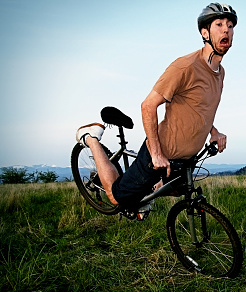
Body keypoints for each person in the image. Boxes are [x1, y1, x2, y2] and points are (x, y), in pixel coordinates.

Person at [75, 3, 237, 209]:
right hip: (161, 152)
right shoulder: (185, 67)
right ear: (205, 32)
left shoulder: (220, 73)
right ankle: (90, 138)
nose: (226, 30)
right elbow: (148, 105)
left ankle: (146, 192)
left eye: (230, 26)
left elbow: (202, 108)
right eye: (219, 24)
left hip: (185, 157)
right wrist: (157, 154)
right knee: (117, 197)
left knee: (177, 189)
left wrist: (214, 131)